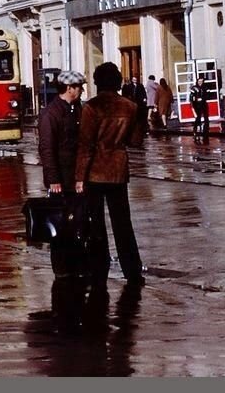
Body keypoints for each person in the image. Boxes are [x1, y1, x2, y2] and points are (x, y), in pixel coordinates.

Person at [75, 62, 144, 284]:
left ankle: (99, 269)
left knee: (96, 224)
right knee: (123, 224)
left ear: (97, 82)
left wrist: (79, 177)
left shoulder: (91, 108)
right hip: (118, 169)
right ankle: (132, 271)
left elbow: (85, 146)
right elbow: (135, 141)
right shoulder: (130, 107)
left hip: (95, 172)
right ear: (118, 81)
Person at [38, 70, 86, 277]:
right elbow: (47, 149)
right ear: (69, 89)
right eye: (79, 87)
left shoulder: (77, 110)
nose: (82, 91)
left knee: (78, 223)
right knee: (60, 225)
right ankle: (62, 269)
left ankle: (76, 264)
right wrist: (53, 180)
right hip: (61, 180)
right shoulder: (52, 113)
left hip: (75, 178)